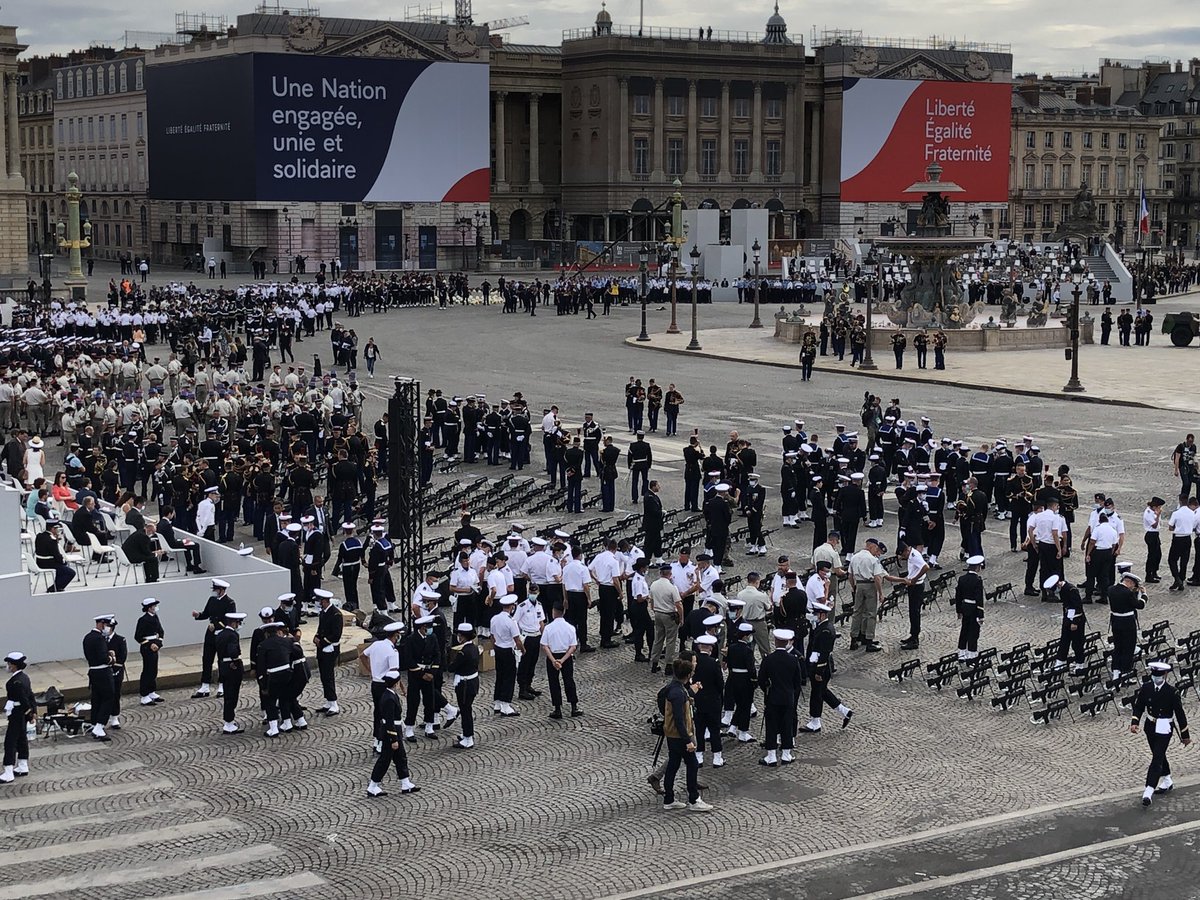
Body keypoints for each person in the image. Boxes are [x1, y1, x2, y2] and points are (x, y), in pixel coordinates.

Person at [1130, 661, 1191, 806]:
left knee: (1157, 758)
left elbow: (1180, 714)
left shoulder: (1172, 692)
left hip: (1164, 727)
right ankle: (1167, 779)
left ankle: (1148, 791)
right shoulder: (1146, 688)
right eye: (1154, 676)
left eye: (1159, 676)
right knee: (1159, 754)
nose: (1156, 678)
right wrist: (1135, 722)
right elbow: (1139, 706)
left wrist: (1185, 735)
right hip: (1150, 726)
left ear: (1165, 675)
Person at [659, 656, 711, 811]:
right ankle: (694, 799)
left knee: (673, 765)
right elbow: (679, 719)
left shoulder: (673, 689)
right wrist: (687, 740)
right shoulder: (678, 693)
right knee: (692, 764)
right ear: (688, 675)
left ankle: (669, 799)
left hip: (672, 735)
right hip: (679, 736)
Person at [367, 668, 420, 797]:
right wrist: (394, 739)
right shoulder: (389, 698)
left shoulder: (390, 695)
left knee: (400, 757)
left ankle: (405, 782)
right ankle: (372, 786)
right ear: (396, 683)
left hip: (395, 731)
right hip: (390, 733)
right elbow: (389, 721)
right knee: (385, 760)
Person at [803, 601, 853, 733]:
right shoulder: (821, 626)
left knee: (817, 693)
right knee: (822, 691)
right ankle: (844, 711)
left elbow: (824, 653)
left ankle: (815, 721)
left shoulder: (825, 630)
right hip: (817, 663)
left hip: (822, 667)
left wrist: (818, 671)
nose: (814, 616)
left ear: (822, 615)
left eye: (816, 614)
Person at [758, 628, 803, 765]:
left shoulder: (768, 659)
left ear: (775, 641)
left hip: (773, 697)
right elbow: (798, 682)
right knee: (787, 725)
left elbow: (761, 679)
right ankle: (786, 754)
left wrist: (767, 689)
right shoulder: (793, 660)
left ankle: (771, 756)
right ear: (787, 642)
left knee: (772, 726)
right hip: (788, 697)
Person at [192, 578, 235, 698]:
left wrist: (216, 625)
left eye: (216, 590)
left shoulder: (230, 602)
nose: (214, 592)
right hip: (210, 633)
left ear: (222, 590)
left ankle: (222, 685)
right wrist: (198, 615)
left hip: (222, 634)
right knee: (207, 659)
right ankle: (205, 685)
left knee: (222, 660)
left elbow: (229, 620)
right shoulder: (212, 600)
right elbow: (206, 614)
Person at [541, 602, 583, 719]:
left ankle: (557, 709)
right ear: (563, 612)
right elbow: (573, 647)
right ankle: (574, 706)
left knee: (554, 682)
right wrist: (562, 660)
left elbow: (544, 646)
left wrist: (554, 661)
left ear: (553, 612)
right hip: (566, 656)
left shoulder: (548, 628)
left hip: (553, 656)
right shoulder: (570, 628)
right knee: (569, 680)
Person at [691, 634, 724, 767]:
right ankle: (717, 757)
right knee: (715, 729)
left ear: (699, 646)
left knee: (699, 729)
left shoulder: (694, 662)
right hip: (712, 701)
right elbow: (720, 684)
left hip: (698, 700)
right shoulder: (714, 663)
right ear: (711, 648)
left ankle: (699, 756)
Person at [1, 651, 35, 783]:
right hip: (22, 713)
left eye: (9, 663)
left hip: (17, 712)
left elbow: (24, 699)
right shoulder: (24, 677)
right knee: (21, 739)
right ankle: (22, 765)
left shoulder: (15, 682)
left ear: (14, 665)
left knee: (10, 741)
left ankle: (8, 771)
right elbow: (31, 695)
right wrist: (33, 711)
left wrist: (29, 712)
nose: (8, 666)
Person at [83, 614, 117, 742]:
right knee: (108, 697)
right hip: (103, 672)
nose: (108, 628)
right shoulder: (99, 638)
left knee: (96, 698)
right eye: (107, 625)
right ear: (101, 624)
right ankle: (99, 725)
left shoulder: (87, 637)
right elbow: (104, 658)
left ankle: (94, 722)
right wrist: (111, 658)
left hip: (93, 671)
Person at [1109, 572, 1146, 681]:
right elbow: (1139, 605)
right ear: (1129, 582)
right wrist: (1144, 595)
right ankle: (1125, 673)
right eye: (1133, 585)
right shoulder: (1127, 593)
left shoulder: (1111, 589)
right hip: (1127, 623)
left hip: (1115, 621)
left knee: (1118, 647)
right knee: (1128, 648)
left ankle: (1116, 672)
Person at [214, 612, 247, 734]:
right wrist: (235, 661)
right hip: (232, 668)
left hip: (223, 666)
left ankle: (229, 721)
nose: (239, 625)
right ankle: (229, 722)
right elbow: (233, 651)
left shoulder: (220, 634)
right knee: (232, 696)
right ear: (234, 623)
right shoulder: (233, 635)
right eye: (238, 623)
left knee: (228, 694)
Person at [448, 623, 481, 749]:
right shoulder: (474, 648)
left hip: (465, 684)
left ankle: (468, 737)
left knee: (465, 711)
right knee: (466, 709)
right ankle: (466, 733)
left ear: (462, 636)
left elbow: (452, 667)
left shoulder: (463, 652)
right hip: (473, 682)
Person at [490, 596, 523, 716]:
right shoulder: (511, 621)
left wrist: (495, 646)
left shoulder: (494, 618)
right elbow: (517, 640)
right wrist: (523, 650)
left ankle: (497, 703)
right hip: (508, 651)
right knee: (509, 677)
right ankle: (505, 705)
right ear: (512, 607)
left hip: (498, 649)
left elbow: (492, 636)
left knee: (500, 676)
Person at [650, 563, 684, 674]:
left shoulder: (654, 584)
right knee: (670, 640)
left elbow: (651, 600)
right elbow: (678, 604)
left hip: (658, 613)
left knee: (658, 639)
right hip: (669, 615)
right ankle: (669, 665)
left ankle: (654, 662)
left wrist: (654, 609)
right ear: (670, 574)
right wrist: (681, 618)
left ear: (660, 573)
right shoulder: (671, 587)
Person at [313, 589, 343, 716]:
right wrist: (316, 637)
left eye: (320, 601)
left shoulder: (336, 614)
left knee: (328, 676)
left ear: (324, 601)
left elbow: (336, 635)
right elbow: (321, 628)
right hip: (322, 649)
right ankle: (328, 701)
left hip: (330, 649)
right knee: (323, 676)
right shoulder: (323, 613)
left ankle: (334, 703)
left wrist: (322, 642)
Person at [899, 538, 930, 651]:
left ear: (906, 550)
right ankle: (913, 635)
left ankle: (915, 639)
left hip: (916, 586)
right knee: (912, 612)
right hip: (913, 585)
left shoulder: (914, 555)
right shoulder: (912, 553)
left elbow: (926, 567)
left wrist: (915, 579)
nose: (904, 557)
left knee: (915, 612)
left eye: (903, 555)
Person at [134, 598, 165, 706]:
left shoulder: (155, 617)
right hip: (147, 648)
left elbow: (161, 631)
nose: (156, 608)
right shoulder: (143, 620)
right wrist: (150, 644)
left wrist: (158, 643)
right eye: (154, 606)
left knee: (153, 670)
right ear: (149, 607)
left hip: (155, 645)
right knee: (147, 670)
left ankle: (151, 691)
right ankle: (144, 694)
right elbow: (138, 636)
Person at [954, 556, 986, 660]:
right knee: (973, 632)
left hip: (964, 607)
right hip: (973, 609)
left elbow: (958, 596)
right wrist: (981, 615)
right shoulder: (977, 580)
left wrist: (959, 610)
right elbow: (979, 599)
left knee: (964, 630)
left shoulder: (962, 579)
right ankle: (971, 654)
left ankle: (961, 652)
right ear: (977, 567)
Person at [34, 519, 76, 592]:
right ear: (53, 529)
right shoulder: (52, 540)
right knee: (70, 572)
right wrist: (63, 561)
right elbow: (57, 555)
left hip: (39, 562)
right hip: (48, 563)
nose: (57, 531)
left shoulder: (39, 536)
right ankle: (54, 588)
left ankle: (56, 587)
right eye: (57, 529)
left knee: (61, 569)